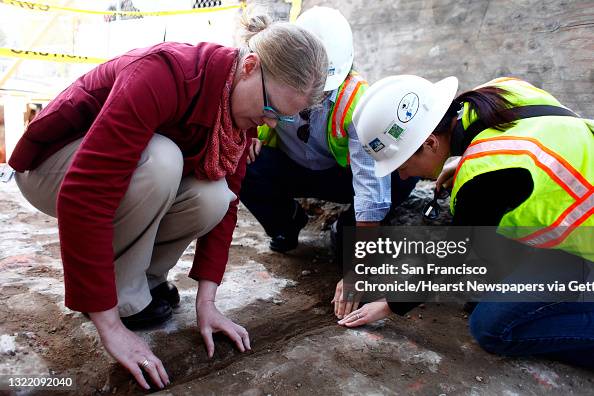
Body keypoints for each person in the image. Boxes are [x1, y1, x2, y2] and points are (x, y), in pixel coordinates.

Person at [8, 12, 327, 389]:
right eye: (271, 110)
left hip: (115, 176)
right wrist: (108, 324)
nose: (269, 124)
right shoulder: (165, 73)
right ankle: (123, 299)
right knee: (161, 161)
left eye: (282, 120)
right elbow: (85, 194)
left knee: (214, 195)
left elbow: (227, 209)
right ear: (250, 67)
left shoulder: (237, 111)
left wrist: (207, 304)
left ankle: (143, 281)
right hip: (52, 168)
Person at [338, 75, 594, 368]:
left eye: (404, 164)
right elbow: (541, 138)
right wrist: (464, 161)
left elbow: (453, 259)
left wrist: (389, 304)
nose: (404, 176)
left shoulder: (483, 178)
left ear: (431, 142)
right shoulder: (496, 93)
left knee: (491, 327)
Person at [239, 7, 417, 319]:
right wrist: (250, 133)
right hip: (291, 168)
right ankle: (287, 224)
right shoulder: (271, 74)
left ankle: (345, 229)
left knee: (401, 176)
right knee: (245, 164)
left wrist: (358, 268)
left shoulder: (357, 101)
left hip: (340, 175)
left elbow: (370, 184)